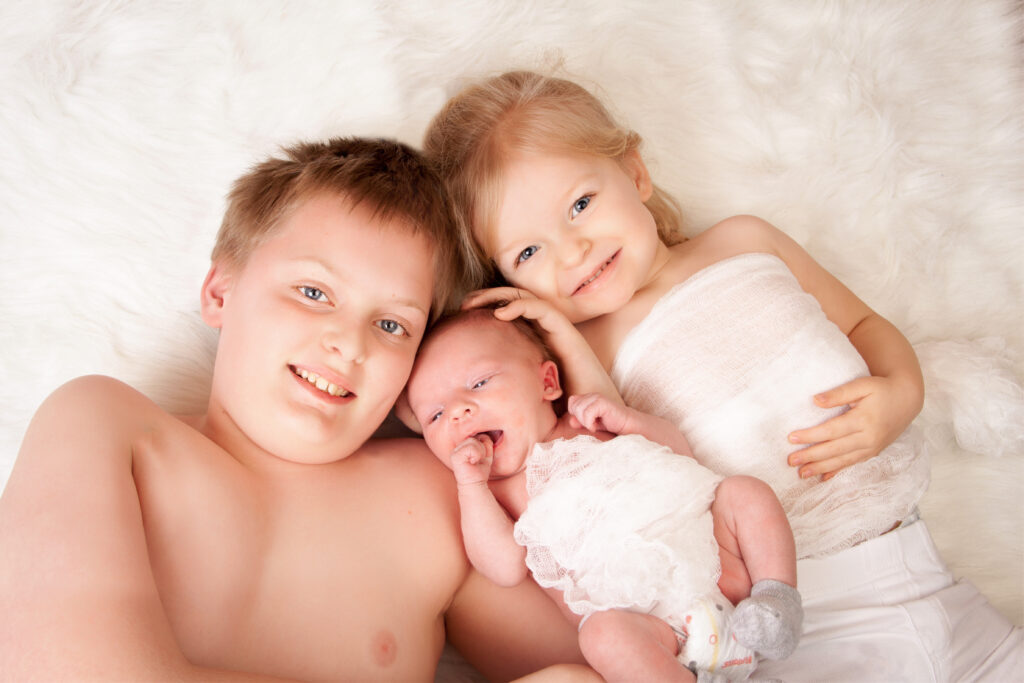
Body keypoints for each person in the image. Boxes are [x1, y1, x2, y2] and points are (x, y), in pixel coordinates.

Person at [422, 70, 1023, 680]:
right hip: (790, 614)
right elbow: (610, 449)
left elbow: (864, 323)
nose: (572, 252)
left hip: (923, 568)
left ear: (635, 173)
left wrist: (901, 391)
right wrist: (558, 331)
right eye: (529, 253)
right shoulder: (582, 359)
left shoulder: (744, 241)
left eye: (581, 205)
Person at [0, 137, 592, 682]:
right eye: (314, 293)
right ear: (219, 292)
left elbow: (618, 661)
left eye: (391, 324)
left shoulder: (443, 495)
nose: (350, 343)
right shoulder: (105, 425)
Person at [401, 308, 803, 682]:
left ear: (547, 383)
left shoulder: (587, 421)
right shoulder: (495, 492)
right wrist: (470, 486)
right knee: (601, 636)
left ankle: (777, 602)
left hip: (726, 572)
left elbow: (679, 455)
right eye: (434, 415)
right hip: (659, 631)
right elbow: (503, 568)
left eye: (479, 383)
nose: (457, 411)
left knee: (744, 492)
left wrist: (629, 420)